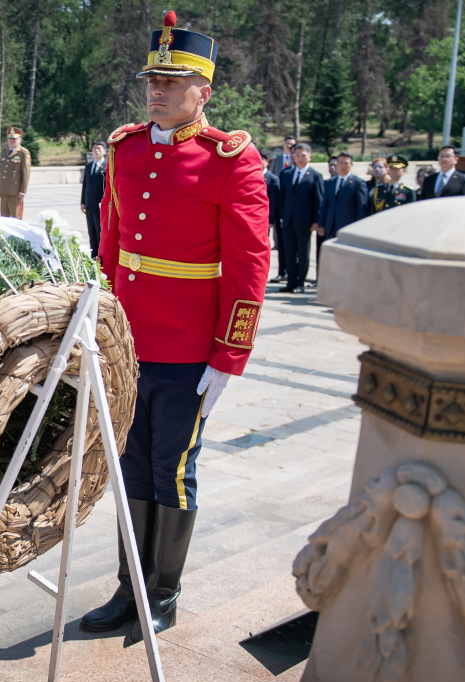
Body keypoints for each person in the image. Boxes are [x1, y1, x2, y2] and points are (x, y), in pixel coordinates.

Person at [83, 10, 269, 642]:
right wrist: (99, 320)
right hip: (128, 345)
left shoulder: (232, 160)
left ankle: (164, 591)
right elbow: (110, 244)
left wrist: (229, 355)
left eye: (172, 81)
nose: (157, 90)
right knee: (130, 468)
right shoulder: (125, 147)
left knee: (173, 469)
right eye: (151, 80)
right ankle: (128, 586)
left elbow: (249, 264)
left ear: (203, 92)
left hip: (190, 349)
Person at [278, 142, 323, 293]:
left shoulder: (315, 176)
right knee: (289, 252)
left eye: (303, 155)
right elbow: (282, 197)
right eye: (297, 155)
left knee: (303, 253)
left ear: (309, 157)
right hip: (288, 220)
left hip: (305, 222)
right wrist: (281, 217)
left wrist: (316, 221)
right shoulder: (286, 174)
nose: (300, 158)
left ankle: (300, 283)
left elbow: (319, 200)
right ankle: (290, 282)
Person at [317, 151, 366, 250]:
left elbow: (361, 208)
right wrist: (321, 224)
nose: (343, 166)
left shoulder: (358, 183)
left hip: (348, 227)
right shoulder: (330, 182)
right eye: (340, 163)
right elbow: (325, 205)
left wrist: (358, 228)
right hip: (330, 227)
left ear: (351, 165)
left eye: (346, 163)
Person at [80, 140, 107, 256]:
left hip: (100, 205)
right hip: (89, 205)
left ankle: (102, 257)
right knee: (91, 233)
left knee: (100, 232)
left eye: (99, 148)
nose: (96, 151)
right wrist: (82, 202)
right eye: (95, 148)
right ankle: (93, 256)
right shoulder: (89, 166)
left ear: (104, 151)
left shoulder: (107, 167)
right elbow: (85, 185)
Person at [0, 126, 30, 218]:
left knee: (15, 217)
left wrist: (23, 191)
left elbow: (25, 174)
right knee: (4, 217)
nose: (12, 140)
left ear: (20, 139)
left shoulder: (23, 153)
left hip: (15, 191)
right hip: (4, 190)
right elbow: (0, 170)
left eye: (15, 138)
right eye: (10, 138)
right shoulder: (4, 151)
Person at [259, 149, 281, 278]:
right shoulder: (248, 175)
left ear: (267, 162)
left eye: (261, 159)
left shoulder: (272, 179)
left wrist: (270, 220)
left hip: (265, 221)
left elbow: (274, 202)